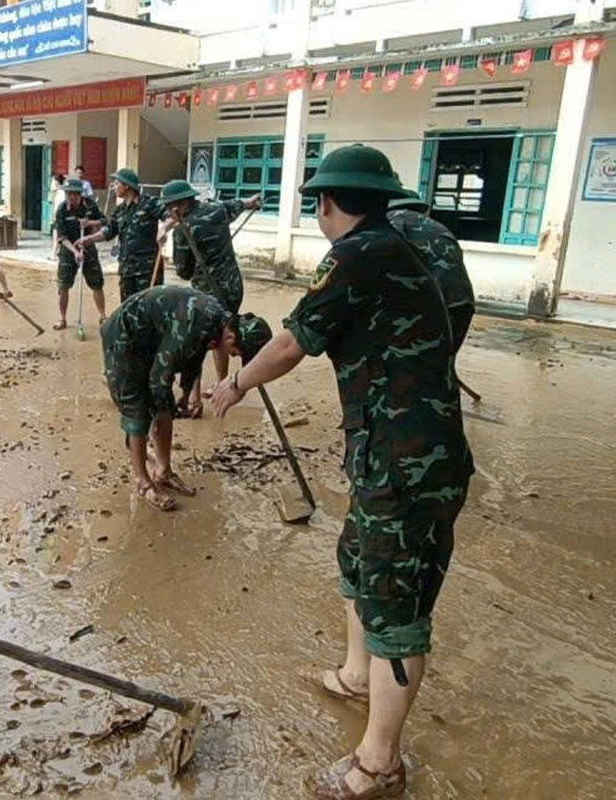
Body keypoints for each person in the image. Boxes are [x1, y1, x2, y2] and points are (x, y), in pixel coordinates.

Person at [207, 145, 473, 800]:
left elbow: (292, 343)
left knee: (395, 607)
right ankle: (357, 677)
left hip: (407, 465)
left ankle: (380, 764)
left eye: (317, 205)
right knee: (357, 560)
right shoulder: (394, 245)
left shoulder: (356, 254)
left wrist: (235, 383)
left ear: (326, 203)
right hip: (390, 454)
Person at [102, 285, 270, 511]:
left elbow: (194, 357)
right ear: (231, 336)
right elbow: (159, 378)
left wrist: (185, 392)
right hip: (124, 336)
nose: (234, 356)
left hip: (151, 338)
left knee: (164, 406)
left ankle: (163, 471)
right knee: (138, 409)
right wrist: (163, 408)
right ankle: (143, 481)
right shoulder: (195, 324)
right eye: (237, 351)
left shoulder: (217, 323)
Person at [161, 180, 262, 393]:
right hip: (233, 286)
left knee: (198, 340)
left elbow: (184, 272)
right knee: (225, 333)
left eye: (169, 206)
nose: (168, 211)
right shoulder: (217, 209)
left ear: (179, 204)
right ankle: (222, 381)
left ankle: (193, 395)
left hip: (207, 294)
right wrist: (251, 202)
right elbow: (239, 204)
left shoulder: (183, 231)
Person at [387, 193, 475, 352]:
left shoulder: (390, 222)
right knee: (441, 360)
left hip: (426, 307)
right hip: (460, 304)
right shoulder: (440, 229)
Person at [76, 168, 163, 302]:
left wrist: (164, 228)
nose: (113, 187)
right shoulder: (120, 210)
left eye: (117, 183)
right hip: (127, 270)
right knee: (127, 307)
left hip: (147, 270)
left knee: (149, 308)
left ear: (126, 185)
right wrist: (89, 239)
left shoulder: (148, 203)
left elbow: (171, 215)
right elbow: (109, 231)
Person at [50, 176, 106, 330]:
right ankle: (62, 319)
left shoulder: (90, 205)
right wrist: (75, 252)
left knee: (97, 283)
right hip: (68, 250)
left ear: (80, 194)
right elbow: (62, 237)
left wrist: (89, 223)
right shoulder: (61, 210)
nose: (71, 197)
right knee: (63, 285)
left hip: (88, 247)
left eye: (74, 193)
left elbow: (104, 221)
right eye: (68, 193)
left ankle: (102, 316)